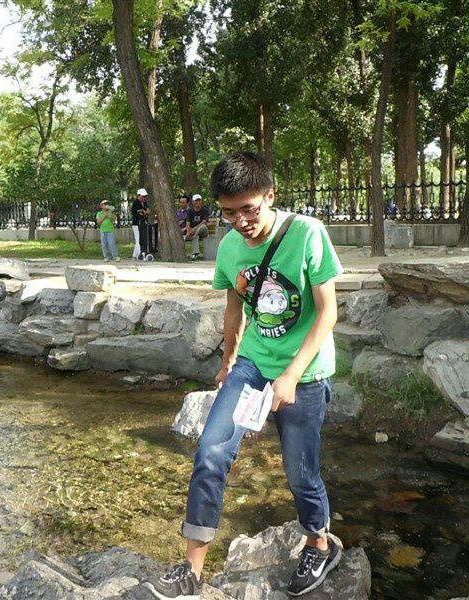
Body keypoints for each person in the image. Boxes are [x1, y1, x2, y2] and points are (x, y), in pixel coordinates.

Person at [146, 152, 344, 599]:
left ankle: (319, 543)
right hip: (253, 363)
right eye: (229, 212)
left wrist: (291, 376)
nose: (240, 222)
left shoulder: (307, 233)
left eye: (249, 210)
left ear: (270, 195)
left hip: (306, 371)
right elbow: (234, 310)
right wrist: (228, 362)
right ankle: (193, 569)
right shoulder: (231, 247)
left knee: (301, 471)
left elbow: (328, 312)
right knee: (211, 452)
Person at [185, 194, 210, 260]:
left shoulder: (205, 210)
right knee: (195, 236)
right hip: (194, 233)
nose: (198, 202)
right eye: (196, 201)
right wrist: (188, 231)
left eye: (199, 200)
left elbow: (204, 222)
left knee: (203, 226)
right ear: (193, 202)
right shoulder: (190, 211)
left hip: (203, 231)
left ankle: (193, 235)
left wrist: (194, 229)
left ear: (201, 201)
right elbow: (188, 223)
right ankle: (195, 254)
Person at [131, 188, 150, 260]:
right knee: (138, 239)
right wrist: (144, 212)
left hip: (142, 223)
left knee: (140, 239)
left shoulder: (144, 203)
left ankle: (135, 255)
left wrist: (145, 212)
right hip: (136, 224)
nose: (144, 198)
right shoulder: (136, 203)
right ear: (139, 196)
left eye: (145, 196)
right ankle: (140, 255)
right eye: (143, 196)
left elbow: (147, 211)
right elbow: (141, 213)